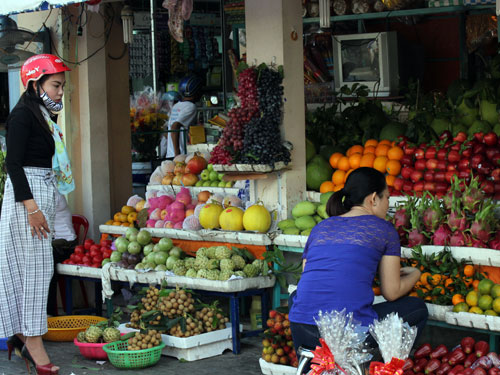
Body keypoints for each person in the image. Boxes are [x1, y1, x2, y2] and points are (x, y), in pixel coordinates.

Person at [289, 167, 427, 359]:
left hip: (303, 332)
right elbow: (391, 292)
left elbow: (308, 277)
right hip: (350, 336)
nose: (388, 204)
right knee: (418, 308)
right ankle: (377, 366)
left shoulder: (321, 227)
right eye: (386, 197)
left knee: (297, 296)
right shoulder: (384, 229)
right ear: (373, 199)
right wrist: (415, 274)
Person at [0, 54, 73, 375]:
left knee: (36, 271)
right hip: (25, 198)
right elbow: (12, 164)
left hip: (39, 193)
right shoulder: (22, 116)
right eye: (56, 85)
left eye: (61, 86)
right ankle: (31, 340)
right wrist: (31, 208)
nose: (60, 92)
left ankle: (22, 336)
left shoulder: (42, 114)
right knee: (33, 272)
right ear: (35, 83)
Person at [47, 190, 78, 317]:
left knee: (46, 263)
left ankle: (50, 313)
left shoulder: (52, 195)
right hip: (54, 243)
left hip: (66, 246)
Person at [165, 75, 203, 158]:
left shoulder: (177, 105)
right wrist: (177, 154)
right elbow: (175, 126)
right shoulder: (190, 106)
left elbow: (168, 129)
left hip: (170, 154)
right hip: (181, 154)